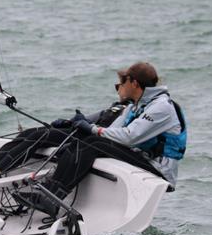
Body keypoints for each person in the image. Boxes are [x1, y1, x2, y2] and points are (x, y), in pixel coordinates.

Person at [16, 61, 186, 216]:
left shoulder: (161, 107)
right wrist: (77, 127)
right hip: (140, 157)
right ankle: (50, 194)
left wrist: (92, 128)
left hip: (158, 169)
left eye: (123, 82)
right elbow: (112, 131)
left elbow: (128, 137)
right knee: (87, 141)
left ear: (134, 83)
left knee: (94, 143)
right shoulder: (137, 105)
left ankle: (52, 199)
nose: (120, 86)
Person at [0, 100, 131, 183]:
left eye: (120, 84)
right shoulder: (115, 106)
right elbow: (85, 118)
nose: (117, 88)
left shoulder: (128, 111)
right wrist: (68, 121)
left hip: (85, 138)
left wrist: (83, 125)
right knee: (30, 133)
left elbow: (112, 133)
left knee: (38, 137)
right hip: (75, 131)